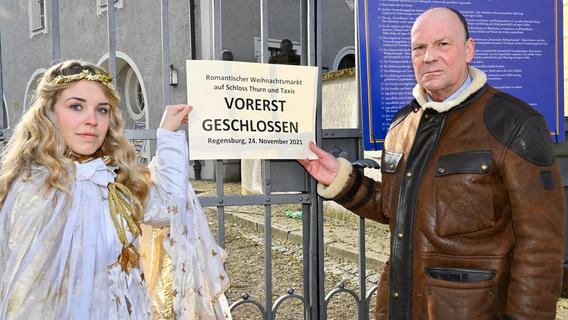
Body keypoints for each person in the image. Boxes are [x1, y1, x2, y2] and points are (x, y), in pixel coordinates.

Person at [300, 7, 565, 320]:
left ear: (469, 50)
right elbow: (394, 208)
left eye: (442, 44)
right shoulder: (401, 126)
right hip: (401, 307)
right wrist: (342, 181)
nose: (429, 56)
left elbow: (541, 247)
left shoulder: (514, 124)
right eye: (419, 47)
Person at [0, 60, 231, 319]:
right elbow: (26, 297)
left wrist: (166, 133)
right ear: (49, 113)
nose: (92, 120)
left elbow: (171, 208)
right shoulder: (36, 189)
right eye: (76, 106)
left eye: (102, 110)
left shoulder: (111, 179)